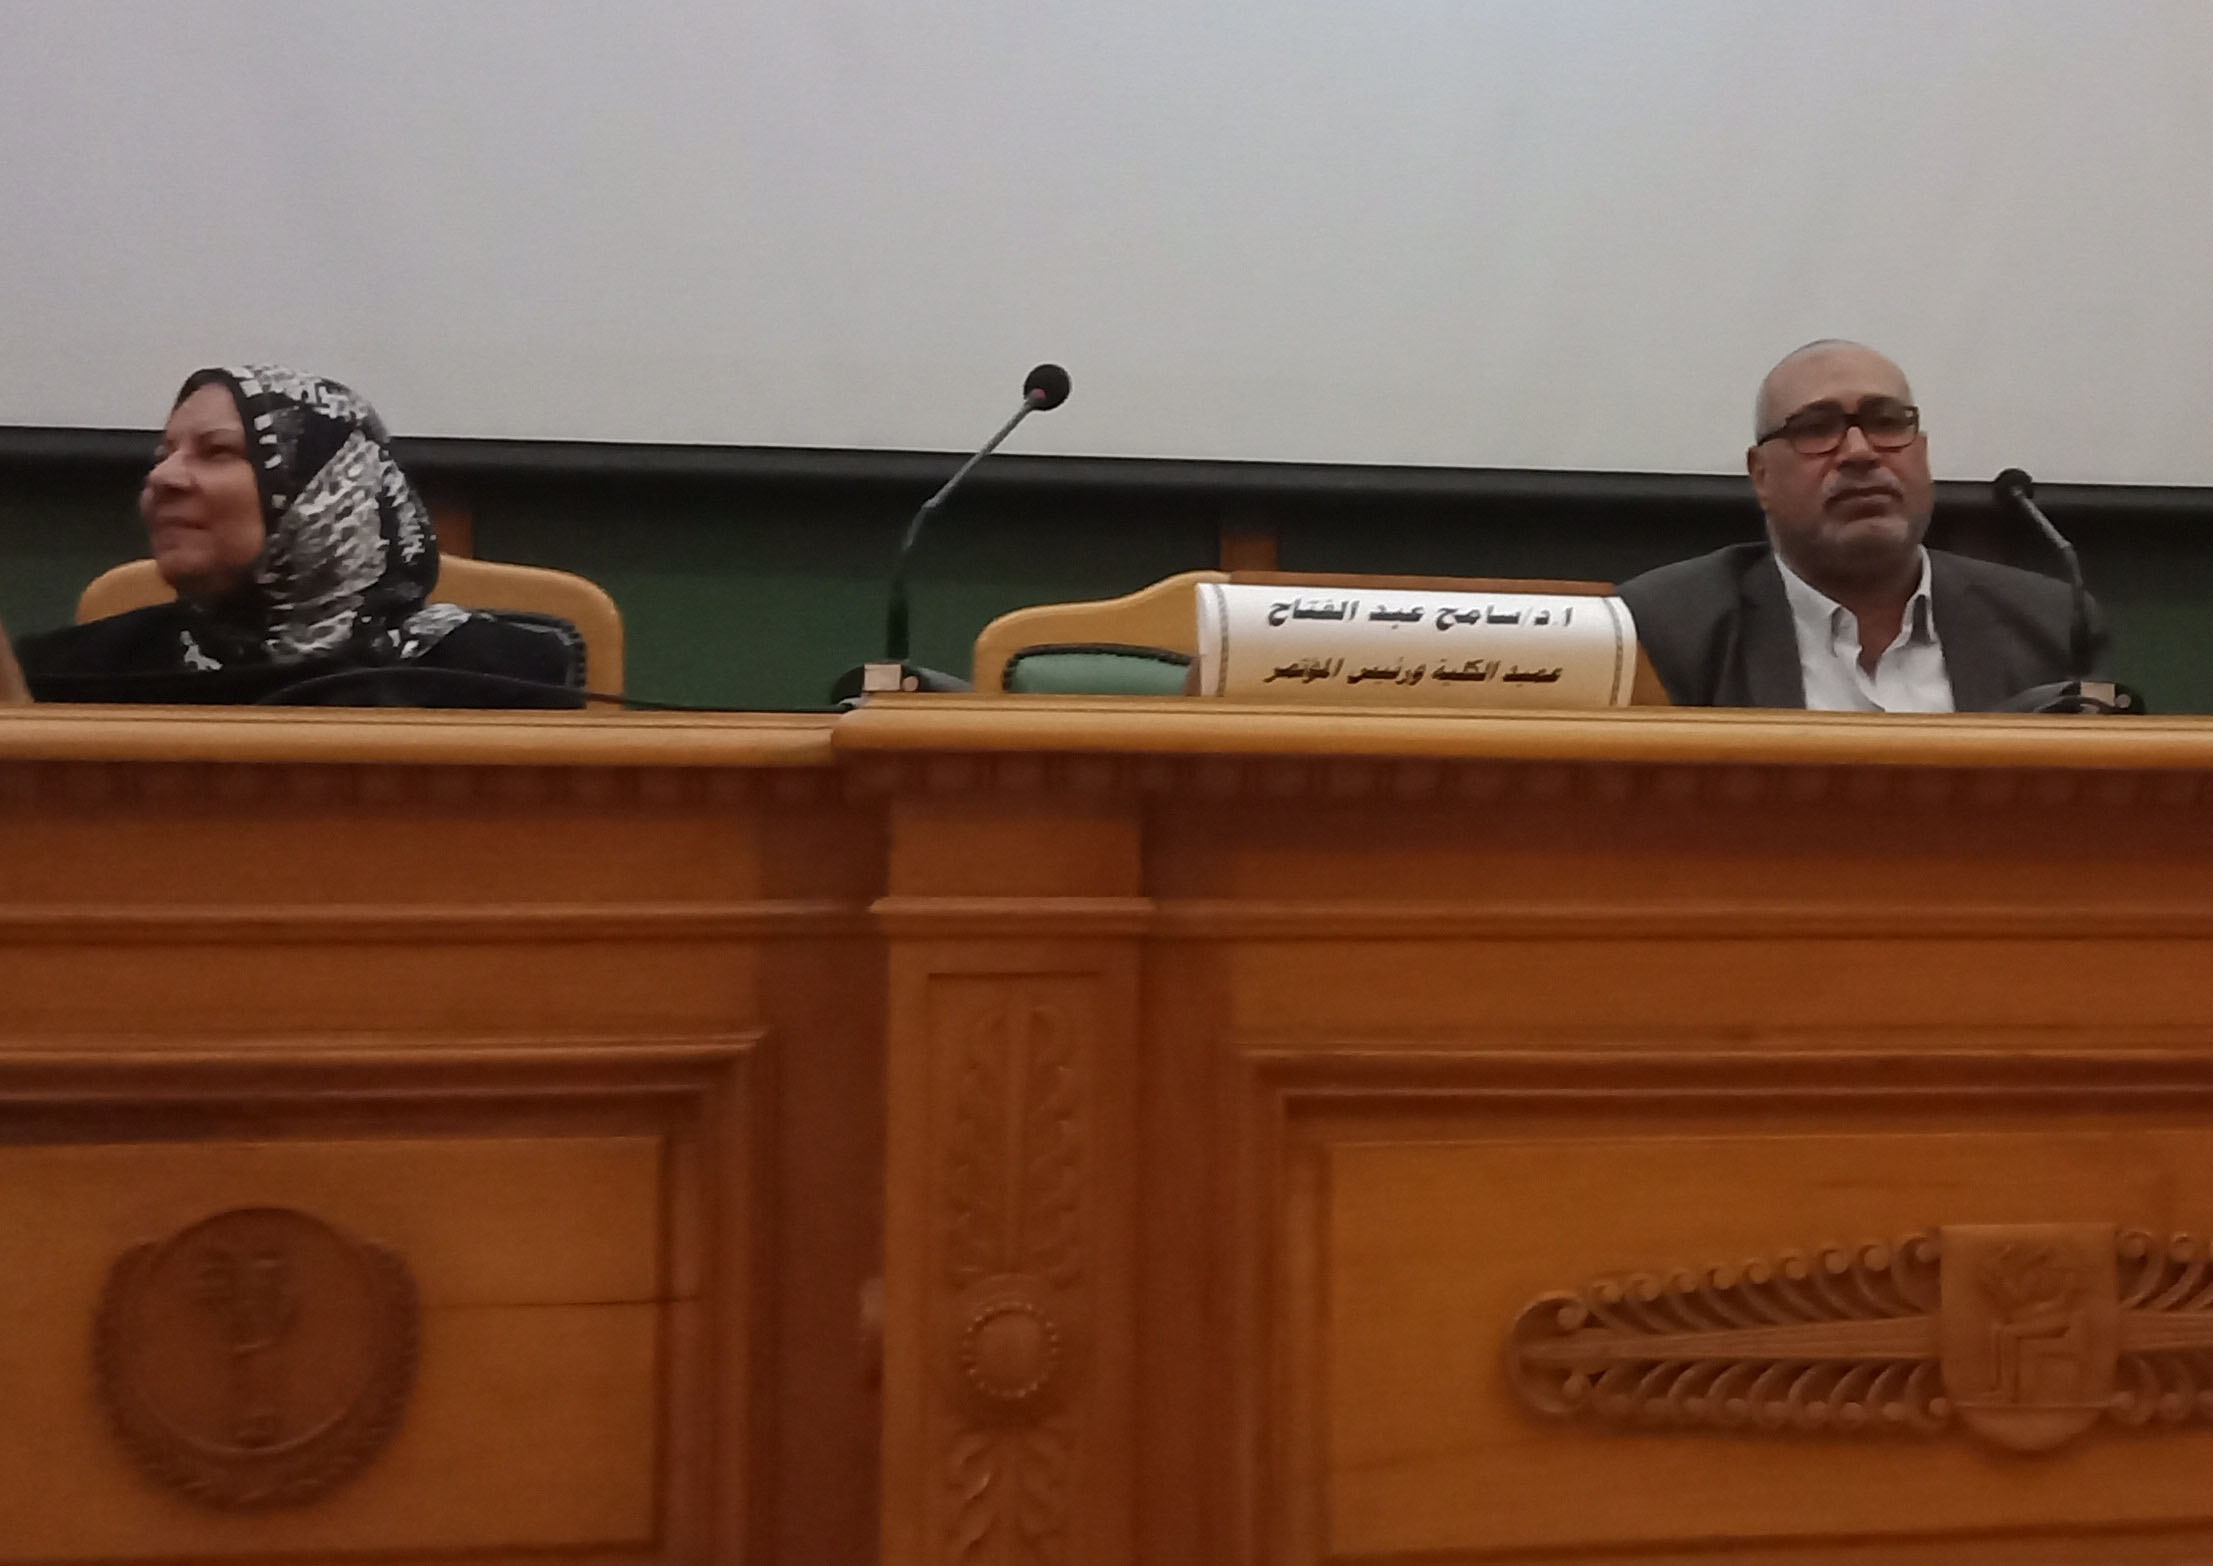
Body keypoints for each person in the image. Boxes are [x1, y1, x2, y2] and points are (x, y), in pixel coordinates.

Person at [12, 366, 583, 706]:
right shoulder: (74, 672)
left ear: (326, 491)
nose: (161, 478)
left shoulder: (494, 676)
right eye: (163, 455)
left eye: (216, 452)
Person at [1617, 340, 2100, 711]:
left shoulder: (2051, 624)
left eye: (1886, 422)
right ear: (1761, 475)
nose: (1860, 452)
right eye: (1816, 428)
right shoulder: (1666, 628)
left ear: (1922, 452)